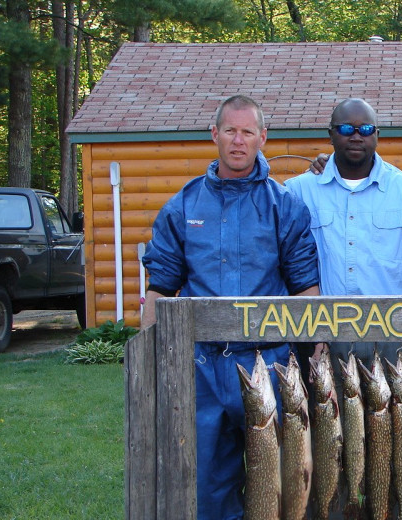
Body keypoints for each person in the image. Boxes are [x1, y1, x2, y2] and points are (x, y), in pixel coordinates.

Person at [140, 95, 320, 520]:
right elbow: (160, 291)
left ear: (262, 137)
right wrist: (148, 354)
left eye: (247, 132)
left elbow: (306, 289)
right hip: (202, 367)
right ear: (214, 134)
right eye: (230, 131)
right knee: (208, 489)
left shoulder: (285, 206)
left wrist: (315, 351)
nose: (238, 141)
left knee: (279, 486)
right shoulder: (182, 207)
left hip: (270, 363)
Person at [285, 97, 402, 377]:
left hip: (394, 336)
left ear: (377, 135)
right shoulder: (298, 192)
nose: (356, 136)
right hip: (324, 338)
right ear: (330, 134)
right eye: (346, 129)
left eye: (365, 130)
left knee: (395, 419)